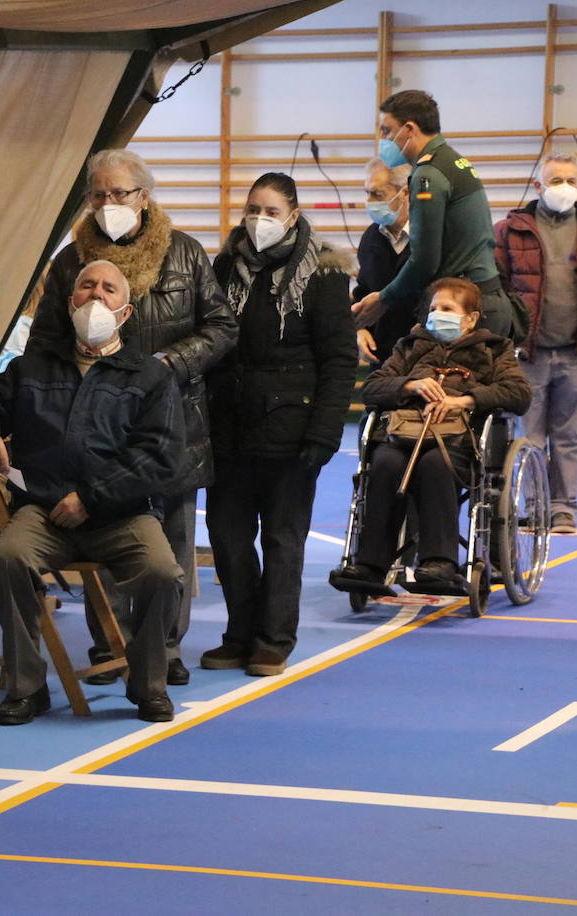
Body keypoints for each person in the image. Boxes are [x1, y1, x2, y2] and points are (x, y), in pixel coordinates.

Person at [28, 148, 236, 687]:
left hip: (174, 423)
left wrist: (168, 365)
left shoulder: (186, 253)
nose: (108, 203)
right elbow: (47, 338)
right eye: (99, 194)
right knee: (108, 531)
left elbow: (221, 328)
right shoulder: (71, 262)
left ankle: (165, 650)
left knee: (171, 544)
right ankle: (110, 645)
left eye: (120, 193)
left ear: (144, 196)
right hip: (94, 425)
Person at [0, 260, 186, 724]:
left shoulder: (149, 376)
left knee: (163, 572)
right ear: (69, 300)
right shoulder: (30, 368)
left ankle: (148, 683)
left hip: (122, 515)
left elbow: (159, 456)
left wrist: (92, 498)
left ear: (125, 311)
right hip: (42, 515)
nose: (96, 296)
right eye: (86, 286)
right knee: (7, 560)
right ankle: (26, 687)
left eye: (109, 290)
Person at [202, 173, 356, 677]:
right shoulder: (223, 267)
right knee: (226, 536)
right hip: (228, 426)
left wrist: (324, 431)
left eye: (269, 211)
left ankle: (272, 639)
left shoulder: (325, 273)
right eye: (252, 209)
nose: (258, 220)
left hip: (293, 427)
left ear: (293, 214)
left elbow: (338, 360)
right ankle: (238, 634)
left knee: (283, 539)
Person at [330, 278, 532, 594]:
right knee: (384, 464)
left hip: (458, 440)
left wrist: (465, 400)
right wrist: (409, 386)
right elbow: (372, 388)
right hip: (403, 433)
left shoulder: (494, 348)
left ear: (471, 318)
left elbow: (518, 394)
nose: (438, 314)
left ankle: (439, 563)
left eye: (448, 309)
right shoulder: (409, 346)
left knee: (436, 465)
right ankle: (369, 565)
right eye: (434, 308)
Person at [494, 153, 577, 532]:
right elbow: (496, 287)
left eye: (571, 180)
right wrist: (513, 337)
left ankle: (564, 507)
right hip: (528, 353)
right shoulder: (509, 229)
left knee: (569, 437)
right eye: (556, 180)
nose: (564, 187)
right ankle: (534, 506)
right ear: (539, 186)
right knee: (530, 436)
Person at [352, 90, 521, 341]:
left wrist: (384, 298)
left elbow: (425, 260)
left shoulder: (428, 174)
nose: (383, 139)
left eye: (387, 131)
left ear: (409, 129)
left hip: (467, 308)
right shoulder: (452, 161)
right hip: (483, 299)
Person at [355, 158, 414, 365]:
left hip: (426, 358)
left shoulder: (432, 235)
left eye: (377, 194)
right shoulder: (370, 237)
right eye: (367, 193)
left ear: (405, 192)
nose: (370, 201)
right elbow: (363, 291)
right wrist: (360, 330)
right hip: (383, 360)